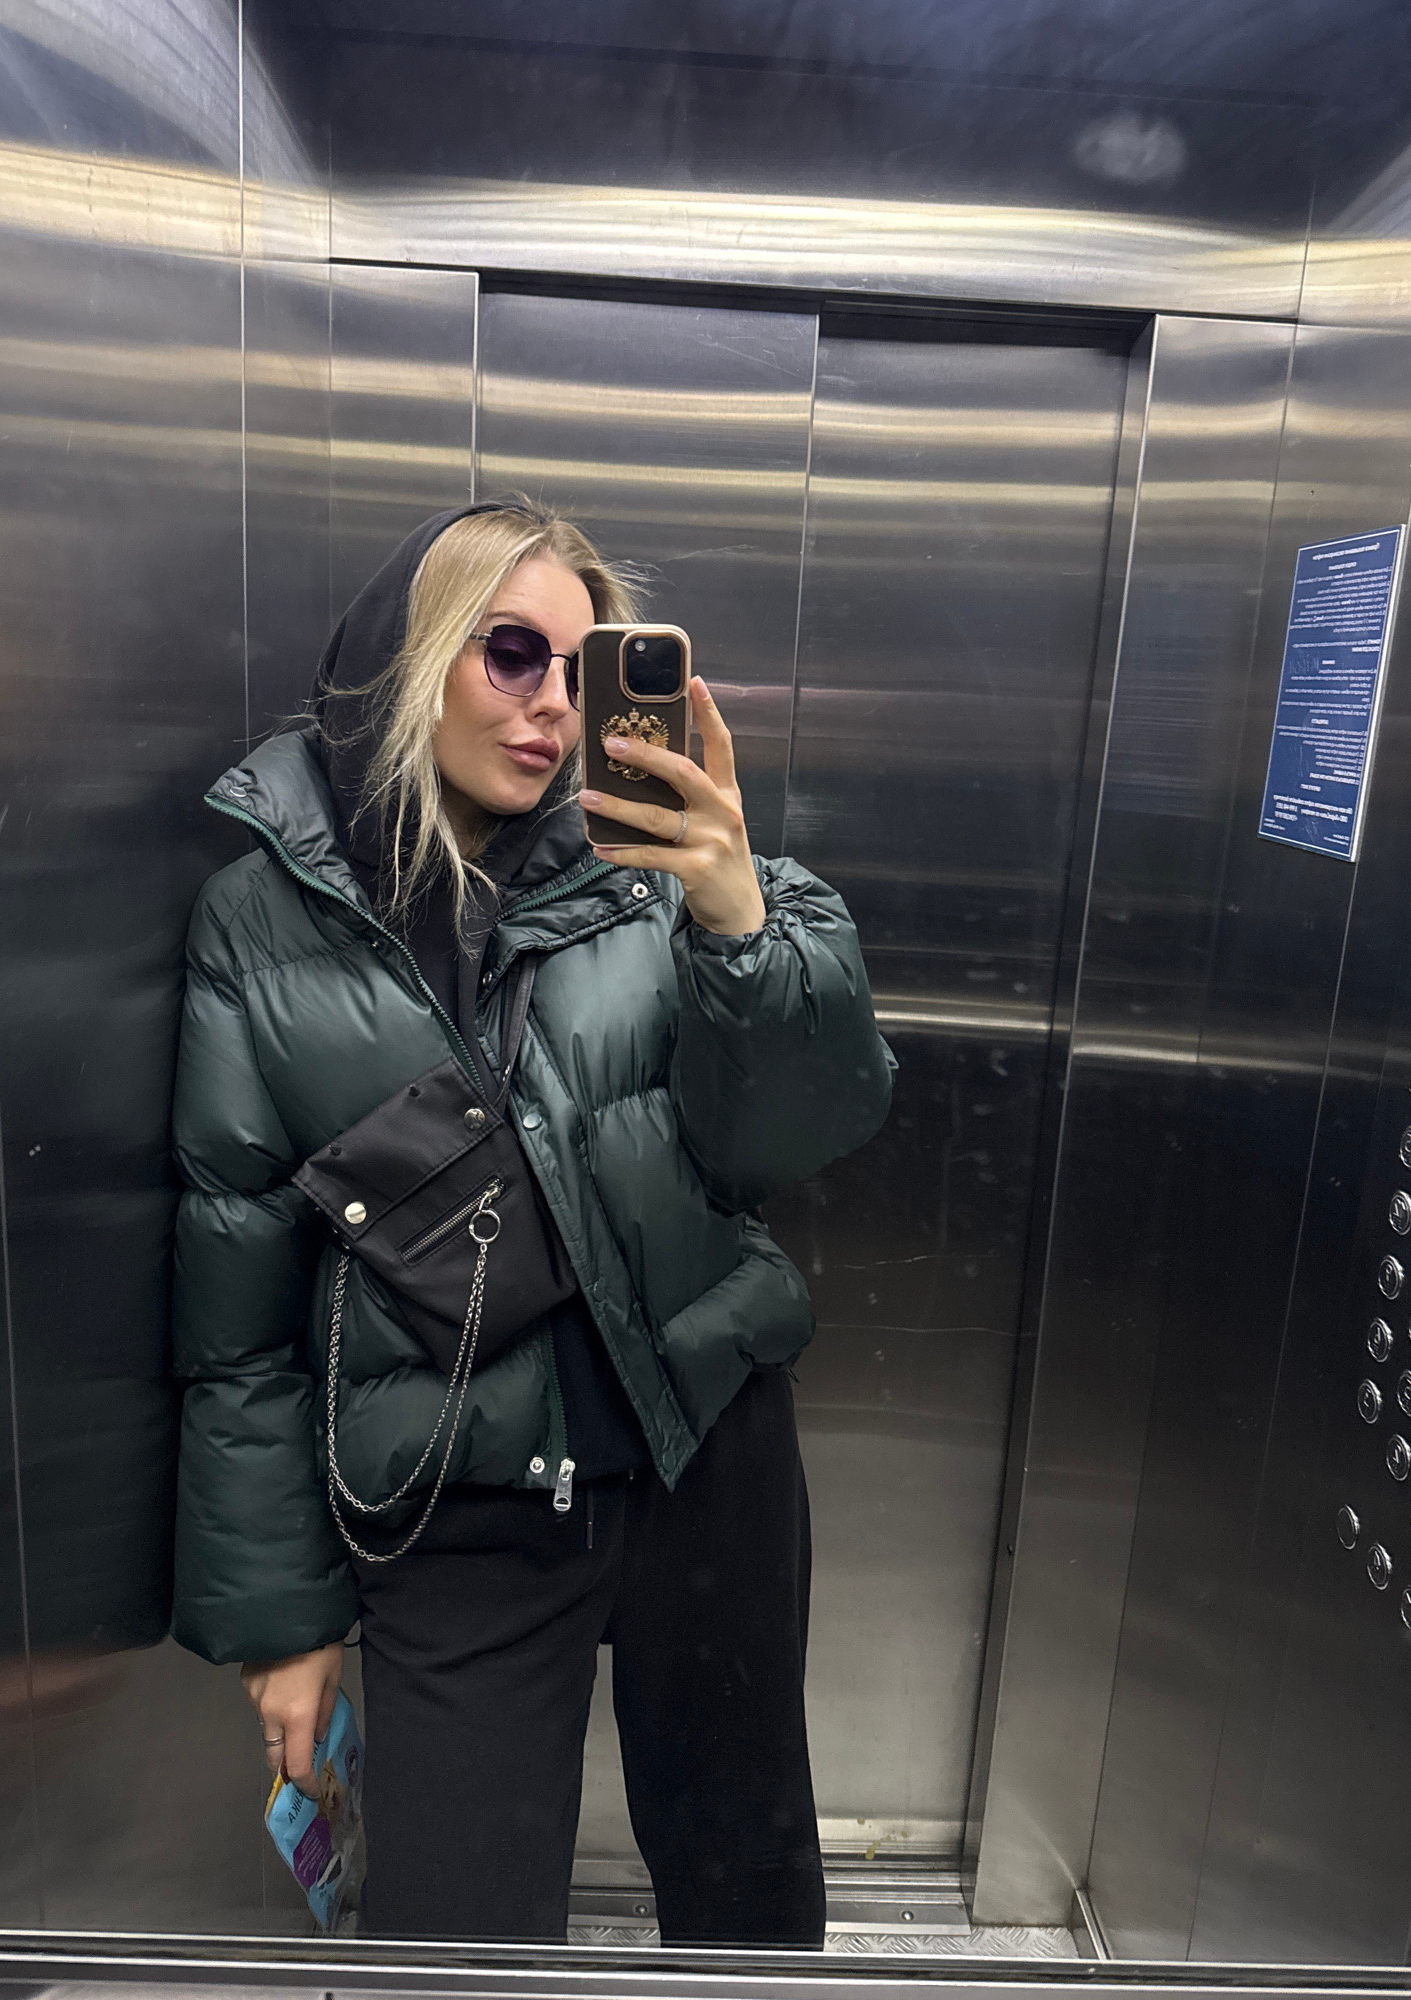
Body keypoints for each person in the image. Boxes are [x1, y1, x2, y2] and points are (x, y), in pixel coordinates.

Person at [169, 501, 893, 1945]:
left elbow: (798, 1134)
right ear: (412, 659)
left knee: (749, 1906)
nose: (554, 703)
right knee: (453, 1940)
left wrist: (737, 921)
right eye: (512, 653)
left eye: (583, 664)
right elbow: (235, 1294)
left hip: (704, 1460)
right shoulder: (263, 919)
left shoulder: (669, 864)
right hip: (455, 1504)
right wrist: (285, 1618)